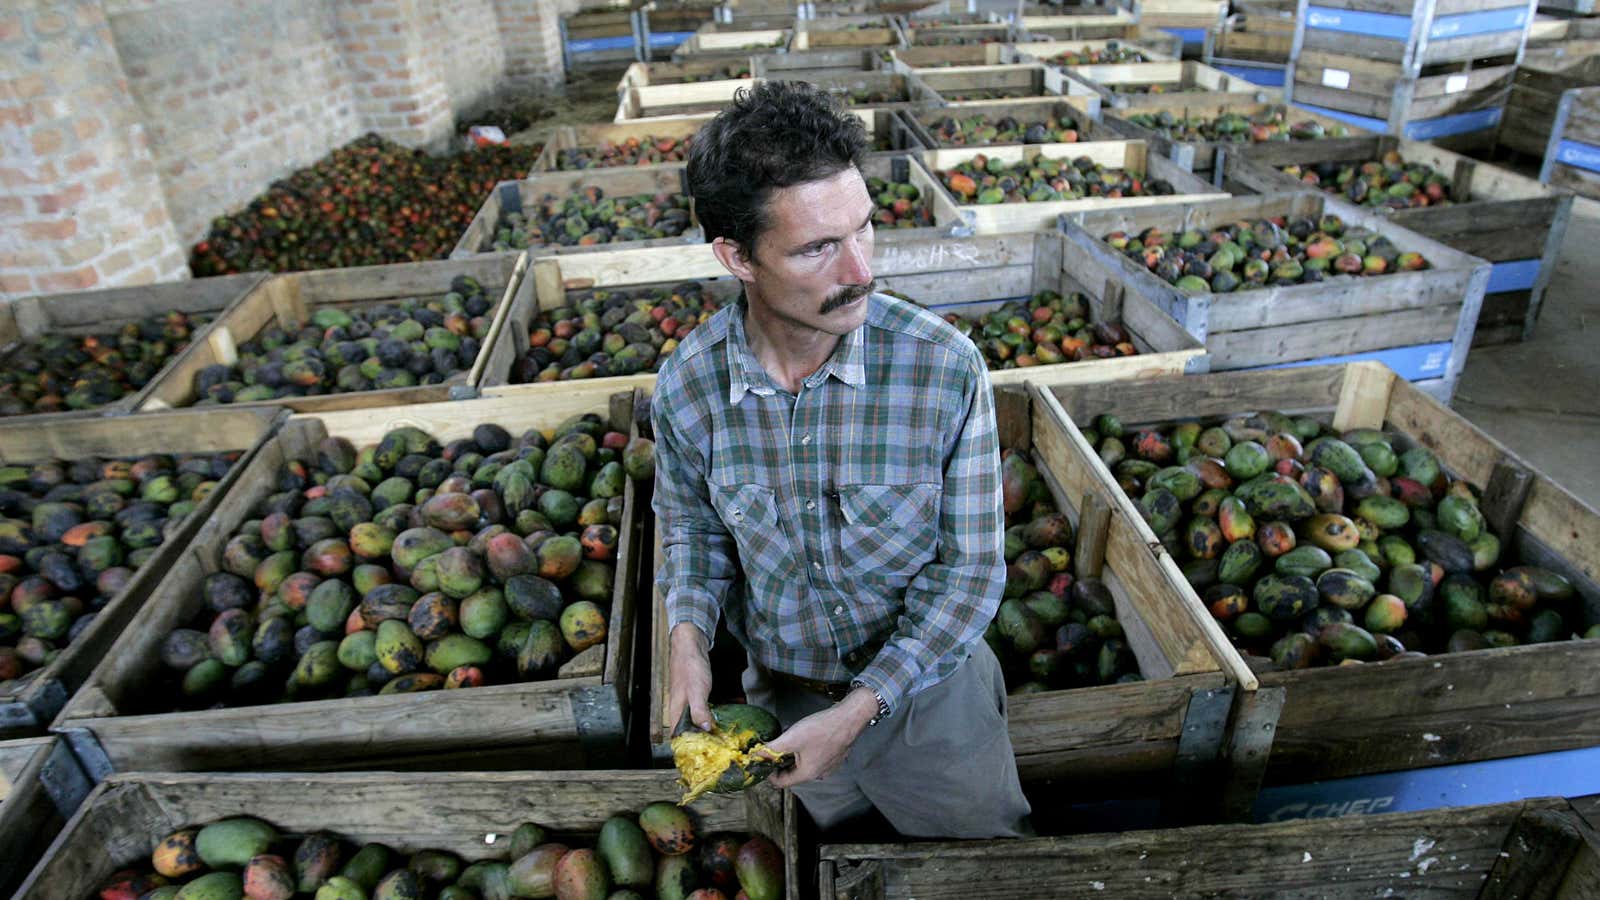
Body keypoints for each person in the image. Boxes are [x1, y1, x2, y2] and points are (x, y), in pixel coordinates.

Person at [651, 80, 1030, 839]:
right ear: (737, 256)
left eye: (864, 229)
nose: (859, 269)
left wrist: (859, 711)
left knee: (976, 869)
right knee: (838, 855)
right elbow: (692, 531)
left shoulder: (942, 369)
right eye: (820, 247)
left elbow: (971, 572)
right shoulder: (689, 386)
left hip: (929, 708)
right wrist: (686, 640)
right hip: (782, 703)